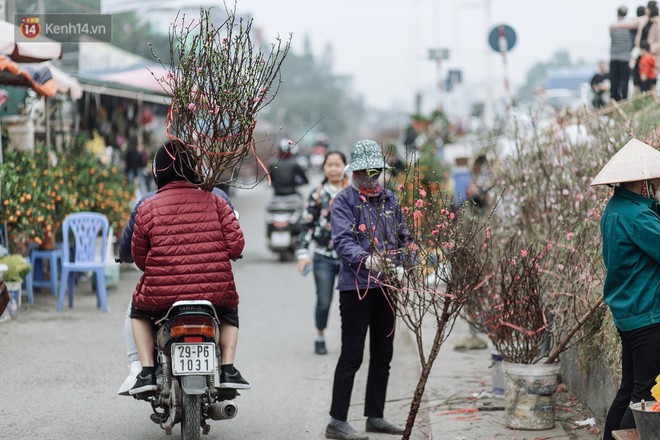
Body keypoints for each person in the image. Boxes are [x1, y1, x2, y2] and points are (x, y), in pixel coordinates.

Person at [127, 141, 250, 395]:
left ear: (158, 171)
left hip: (161, 295)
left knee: (138, 312)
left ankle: (147, 373)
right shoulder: (216, 201)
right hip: (214, 293)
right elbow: (236, 247)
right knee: (229, 312)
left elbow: (138, 257)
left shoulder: (147, 207)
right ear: (194, 168)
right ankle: (228, 369)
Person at [326, 139, 411, 440]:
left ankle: (375, 415)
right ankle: (337, 421)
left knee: (383, 353)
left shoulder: (389, 199)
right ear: (355, 171)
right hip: (356, 287)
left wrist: (404, 263)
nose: (370, 176)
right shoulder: (344, 200)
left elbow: (405, 236)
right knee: (352, 354)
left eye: (375, 171)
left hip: (387, 286)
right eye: (365, 171)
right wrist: (367, 260)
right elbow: (342, 241)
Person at [591, 138, 660, 440]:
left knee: (630, 388)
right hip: (646, 314)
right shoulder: (638, 217)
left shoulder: (616, 208)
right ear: (644, 180)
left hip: (628, 312)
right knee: (642, 394)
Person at [296, 151, 349, 355]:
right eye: (330, 165)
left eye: (338, 164)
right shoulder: (316, 194)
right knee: (324, 300)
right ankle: (320, 335)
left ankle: (350, 340)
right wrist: (302, 254)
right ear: (324, 167)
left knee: (351, 303)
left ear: (345, 166)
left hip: (349, 259)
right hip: (323, 257)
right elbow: (307, 226)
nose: (334, 169)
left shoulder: (353, 192)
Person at [610, 6, 634, 101]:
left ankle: (614, 100)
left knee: (614, 81)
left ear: (617, 13)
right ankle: (624, 100)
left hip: (614, 57)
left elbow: (611, 36)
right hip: (625, 58)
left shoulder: (613, 26)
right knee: (624, 81)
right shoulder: (629, 27)